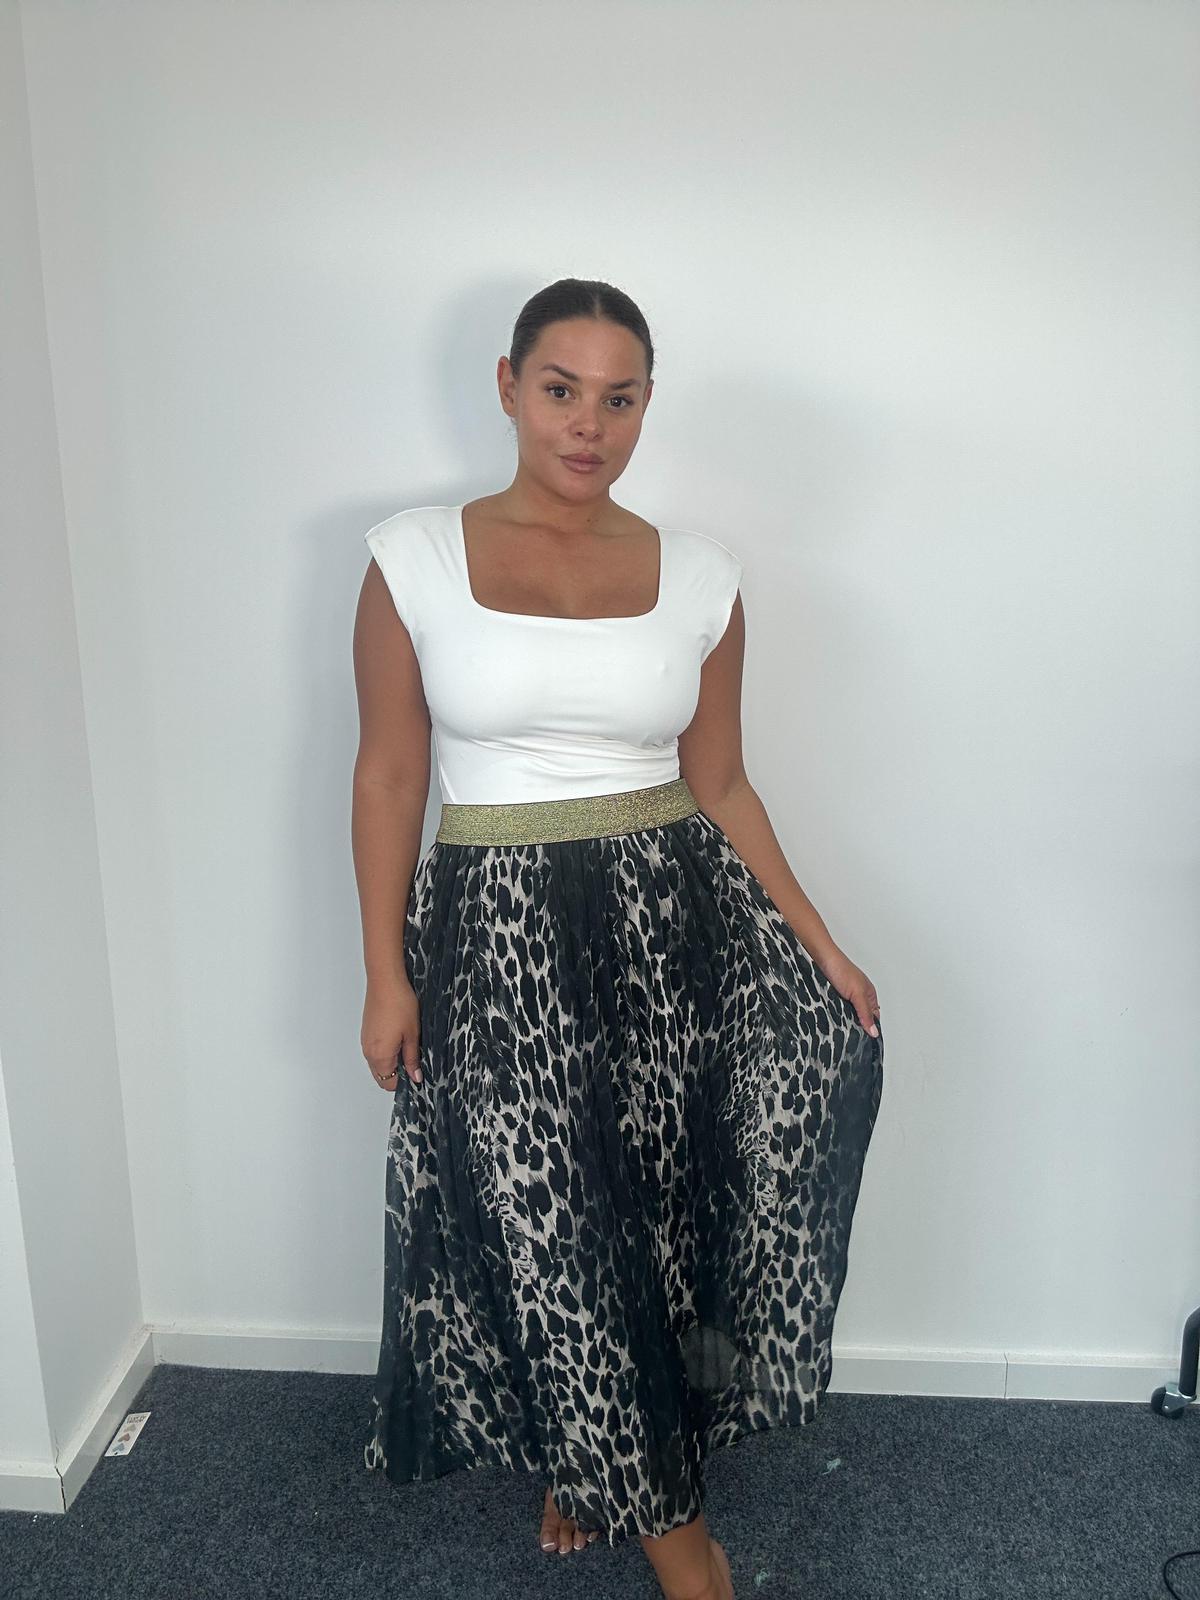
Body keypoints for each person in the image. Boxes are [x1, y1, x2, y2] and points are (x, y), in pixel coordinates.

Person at [352, 278, 884, 1600]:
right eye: (560, 390)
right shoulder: (413, 558)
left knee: (646, 1222)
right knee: (553, 1228)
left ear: (647, 406)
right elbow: (390, 777)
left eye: (620, 398)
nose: (588, 424)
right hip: (496, 943)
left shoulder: (702, 577)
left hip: (667, 934)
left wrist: (819, 941)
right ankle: (685, 1548)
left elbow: (723, 781)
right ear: (507, 386)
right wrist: (384, 974)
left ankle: (592, 1460)